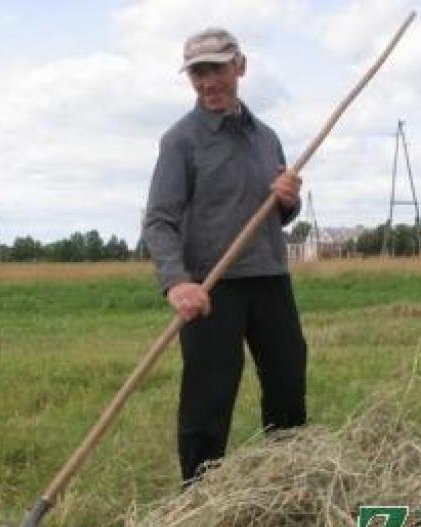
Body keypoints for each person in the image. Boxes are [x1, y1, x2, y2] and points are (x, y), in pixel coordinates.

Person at [141, 27, 308, 486]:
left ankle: (291, 482)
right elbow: (159, 220)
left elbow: (280, 214)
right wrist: (177, 282)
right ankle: (199, 498)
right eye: (197, 72)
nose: (207, 81)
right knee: (209, 398)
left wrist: (289, 199)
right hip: (211, 287)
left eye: (216, 69)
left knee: (287, 382)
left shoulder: (267, 137)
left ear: (240, 66)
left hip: (270, 277)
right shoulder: (181, 140)